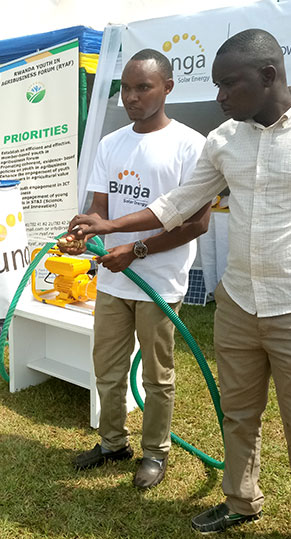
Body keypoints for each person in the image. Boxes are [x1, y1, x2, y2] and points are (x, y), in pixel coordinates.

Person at [66, 29, 291, 539]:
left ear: (268, 77)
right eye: (217, 85)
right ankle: (241, 501)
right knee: (238, 413)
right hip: (239, 302)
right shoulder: (225, 140)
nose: (219, 96)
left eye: (229, 84)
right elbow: (180, 204)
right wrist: (108, 227)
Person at [60, 49, 209, 491]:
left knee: (156, 375)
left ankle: (154, 453)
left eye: (142, 87)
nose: (131, 97)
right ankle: (112, 443)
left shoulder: (190, 145)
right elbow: (100, 209)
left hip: (158, 281)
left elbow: (196, 223)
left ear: (167, 88)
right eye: (125, 88)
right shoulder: (112, 143)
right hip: (112, 278)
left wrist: (135, 250)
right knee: (106, 366)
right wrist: (84, 232)